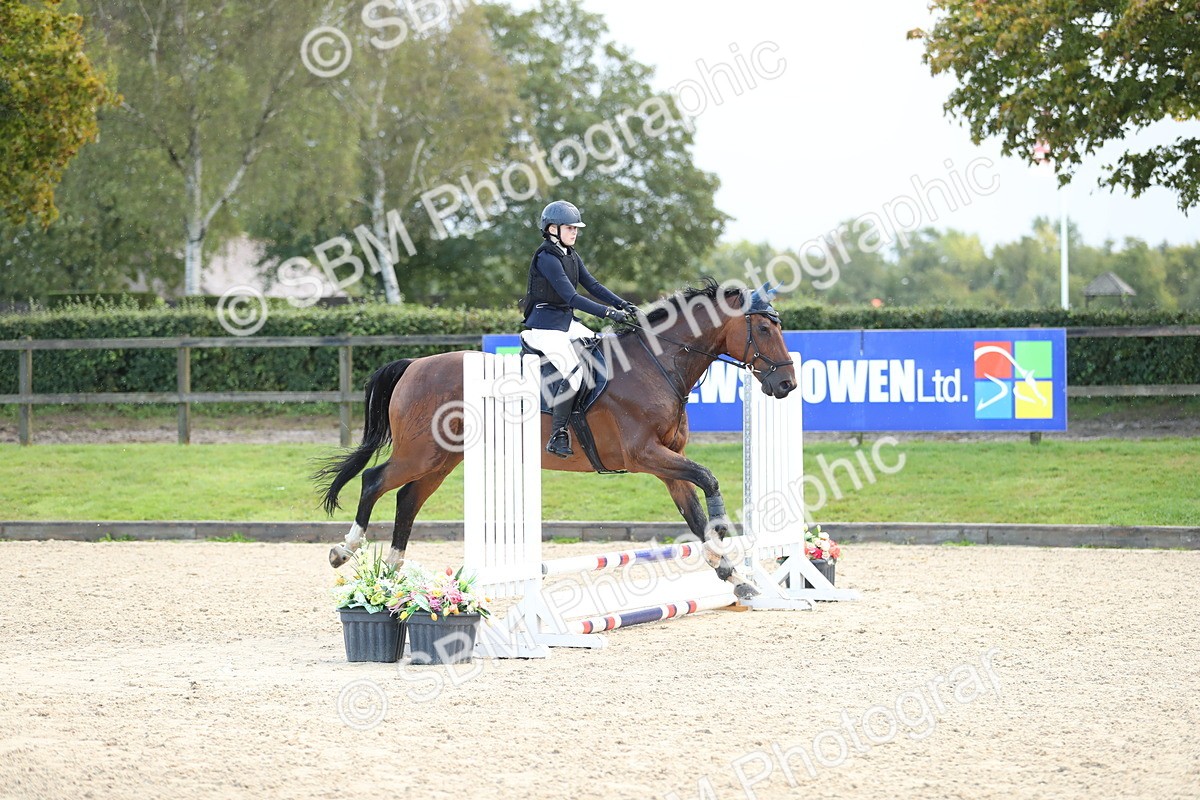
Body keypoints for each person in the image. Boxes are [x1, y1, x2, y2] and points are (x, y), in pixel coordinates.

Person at [520, 200, 638, 457]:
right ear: (553, 228)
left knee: (604, 348)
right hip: (544, 328)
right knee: (573, 374)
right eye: (570, 228)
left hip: (565, 324)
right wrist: (610, 313)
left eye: (576, 228)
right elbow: (572, 297)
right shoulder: (546, 257)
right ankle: (558, 434)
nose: (575, 232)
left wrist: (624, 304)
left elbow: (593, 286)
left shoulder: (570, 255)